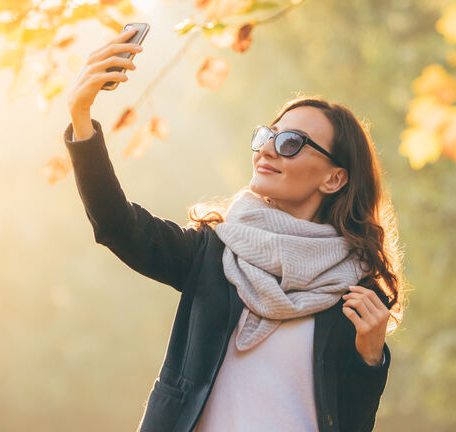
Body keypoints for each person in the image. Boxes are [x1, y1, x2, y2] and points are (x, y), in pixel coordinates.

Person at [63, 28, 406, 432]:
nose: (267, 150)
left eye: (291, 142)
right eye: (267, 136)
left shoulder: (356, 294)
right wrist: (80, 115)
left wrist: (370, 358)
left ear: (333, 179)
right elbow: (117, 225)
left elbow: (350, 424)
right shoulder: (213, 253)